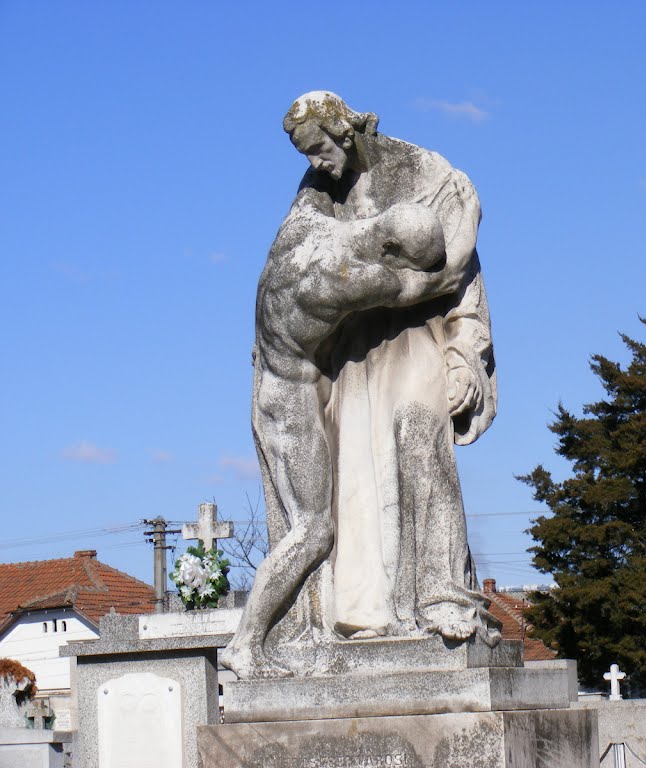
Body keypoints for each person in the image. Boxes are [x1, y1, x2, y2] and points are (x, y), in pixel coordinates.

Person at [224, 92, 499, 679]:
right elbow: (298, 275)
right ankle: (357, 615)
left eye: (321, 148)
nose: (318, 164)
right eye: (308, 154)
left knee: (419, 441)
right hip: (345, 364)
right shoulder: (316, 197)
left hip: (415, 345)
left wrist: (462, 361)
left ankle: (440, 595)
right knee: (348, 492)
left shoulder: (431, 177)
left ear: (345, 131)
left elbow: (461, 285)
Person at [221, 202, 452, 677]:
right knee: (312, 531)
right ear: (389, 248)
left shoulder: (305, 224)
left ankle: (252, 642)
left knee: (306, 529)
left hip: (272, 390)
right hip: (292, 403)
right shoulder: (349, 278)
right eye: (405, 257)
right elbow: (431, 285)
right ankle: (245, 642)